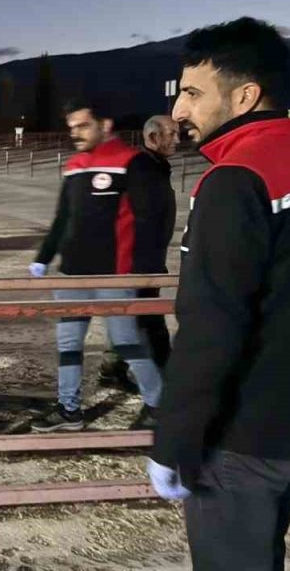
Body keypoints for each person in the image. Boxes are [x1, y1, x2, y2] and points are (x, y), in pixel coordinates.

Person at [149, 17, 290, 570]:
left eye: (193, 93)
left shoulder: (236, 181)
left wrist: (174, 443)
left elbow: (210, 325)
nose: (178, 111)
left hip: (242, 438)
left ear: (244, 96)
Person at [29, 99, 168, 432]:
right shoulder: (75, 165)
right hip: (71, 274)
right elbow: (63, 217)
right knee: (68, 343)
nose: (75, 133)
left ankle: (158, 405)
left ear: (105, 125)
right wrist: (44, 257)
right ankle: (69, 410)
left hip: (114, 275)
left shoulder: (131, 163)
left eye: (82, 126)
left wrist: (144, 270)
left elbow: (149, 221)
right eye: (71, 128)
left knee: (126, 341)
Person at [99, 114, 180, 390]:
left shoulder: (155, 166)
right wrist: (144, 264)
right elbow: (140, 219)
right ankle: (167, 382)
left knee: (129, 316)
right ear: (152, 137)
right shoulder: (144, 169)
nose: (177, 140)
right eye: (172, 134)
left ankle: (111, 369)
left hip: (144, 261)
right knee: (150, 321)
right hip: (138, 263)